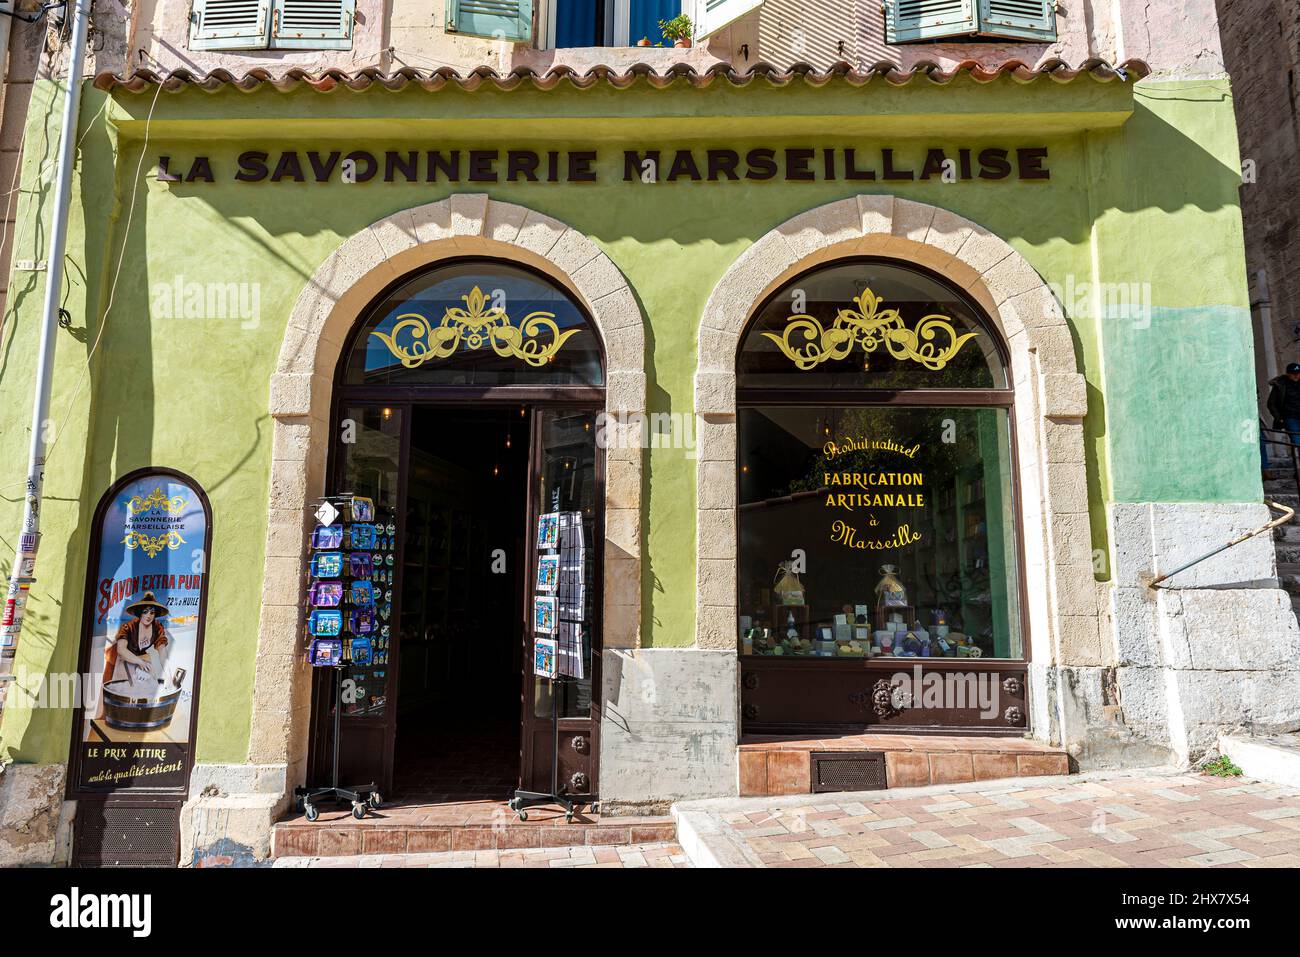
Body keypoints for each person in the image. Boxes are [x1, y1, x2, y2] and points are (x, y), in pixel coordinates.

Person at [98, 592, 170, 715]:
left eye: (152, 612)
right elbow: (121, 650)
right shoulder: (128, 627)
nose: (149, 616)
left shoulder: (158, 627)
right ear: (139, 612)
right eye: (145, 611)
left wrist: (162, 671)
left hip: (139, 657)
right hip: (118, 657)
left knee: (140, 686)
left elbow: (162, 650)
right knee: (115, 691)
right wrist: (140, 662)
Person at [1267, 363, 1300, 462]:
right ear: (1287, 374)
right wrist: (1279, 417)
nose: (1296, 375)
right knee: (1297, 442)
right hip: (1290, 418)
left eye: (1298, 373)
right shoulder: (1280, 385)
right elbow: (1271, 403)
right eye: (1293, 373)